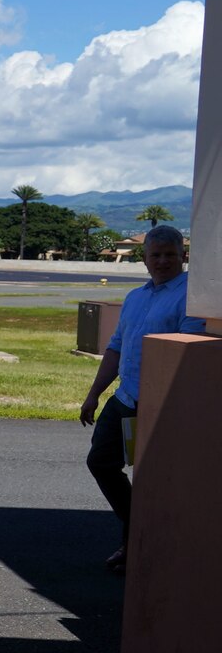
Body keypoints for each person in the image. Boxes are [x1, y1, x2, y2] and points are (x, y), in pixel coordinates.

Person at [80, 225, 207, 573]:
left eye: (170, 254)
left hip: (161, 403)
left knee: (155, 478)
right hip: (127, 396)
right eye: (156, 255)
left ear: (184, 256)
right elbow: (116, 347)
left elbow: (187, 352)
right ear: (145, 259)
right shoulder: (136, 297)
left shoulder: (189, 297)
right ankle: (139, 532)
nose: (163, 260)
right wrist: (94, 394)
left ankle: (143, 544)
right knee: (101, 462)